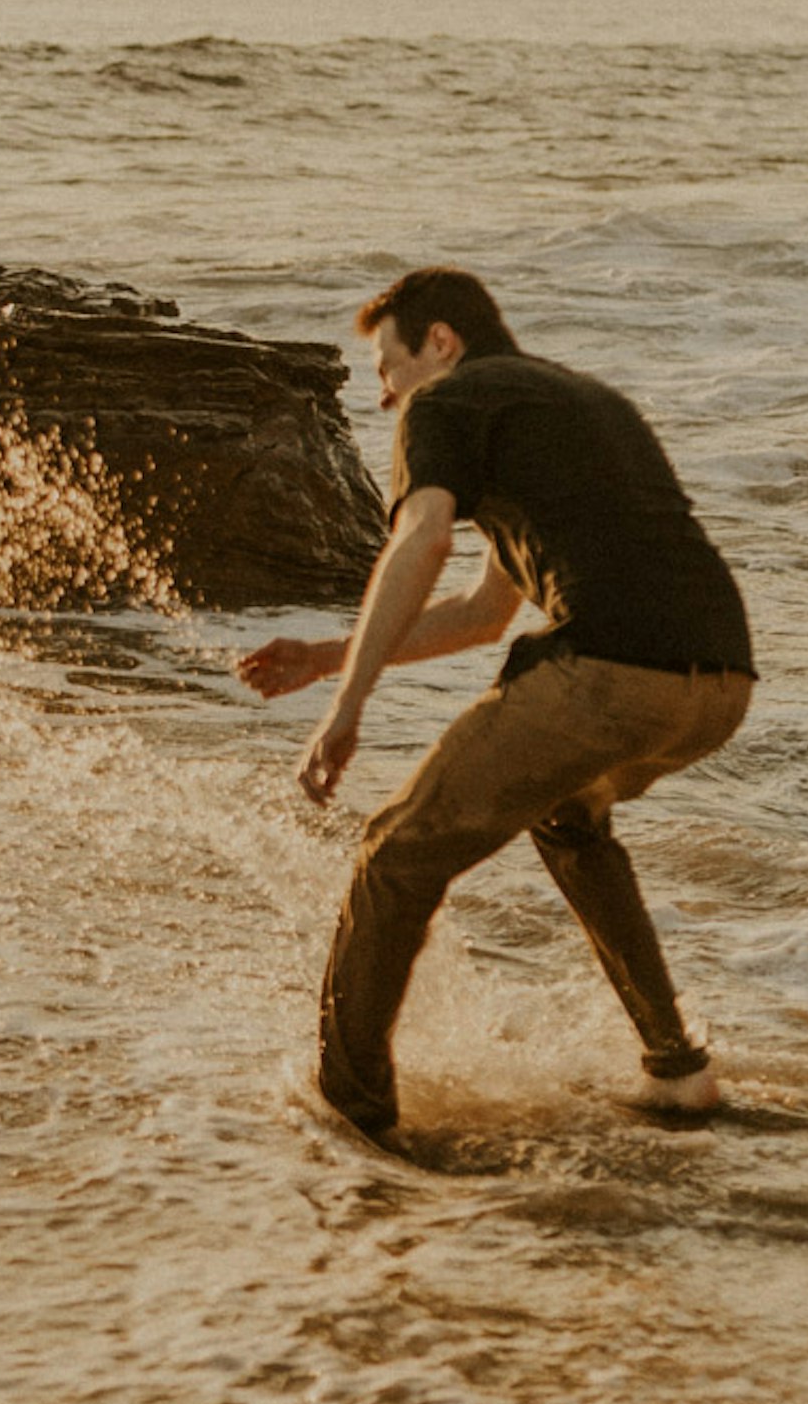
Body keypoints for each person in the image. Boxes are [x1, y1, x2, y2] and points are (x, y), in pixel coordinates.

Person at [236, 269, 753, 1144]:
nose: (382, 390)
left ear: (441, 341)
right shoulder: (578, 402)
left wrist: (347, 710)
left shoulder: (448, 403)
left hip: (609, 671)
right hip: (719, 685)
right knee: (568, 816)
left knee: (393, 855)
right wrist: (331, 660)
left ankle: (347, 1117)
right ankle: (678, 1071)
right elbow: (483, 613)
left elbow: (422, 538)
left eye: (387, 363)